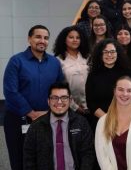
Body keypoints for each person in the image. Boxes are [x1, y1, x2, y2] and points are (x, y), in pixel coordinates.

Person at [3, 25, 64, 170]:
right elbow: (10, 91)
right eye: (38, 37)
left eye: (46, 38)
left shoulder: (54, 63)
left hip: (47, 118)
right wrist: (30, 112)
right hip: (18, 119)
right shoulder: (16, 61)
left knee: (45, 159)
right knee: (20, 159)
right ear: (29, 39)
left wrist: (50, 111)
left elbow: (60, 90)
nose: (42, 40)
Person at [23, 82, 95, 170]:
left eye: (64, 97)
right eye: (54, 98)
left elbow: (88, 154)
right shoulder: (36, 127)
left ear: (70, 100)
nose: (59, 102)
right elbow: (29, 160)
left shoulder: (82, 123)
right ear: (48, 101)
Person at [85, 39, 130, 131]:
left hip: (124, 121)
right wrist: (107, 119)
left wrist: (120, 119)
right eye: (105, 52)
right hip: (101, 121)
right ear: (100, 55)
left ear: (118, 53)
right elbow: (91, 103)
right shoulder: (93, 75)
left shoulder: (126, 73)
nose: (109, 55)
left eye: (112, 52)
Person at [53, 26, 90, 115]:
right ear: (64, 40)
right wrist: (74, 107)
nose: (75, 40)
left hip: (91, 106)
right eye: (71, 37)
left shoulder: (88, 58)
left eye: (78, 38)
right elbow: (59, 86)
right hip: (69, 108)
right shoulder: (58, 60)